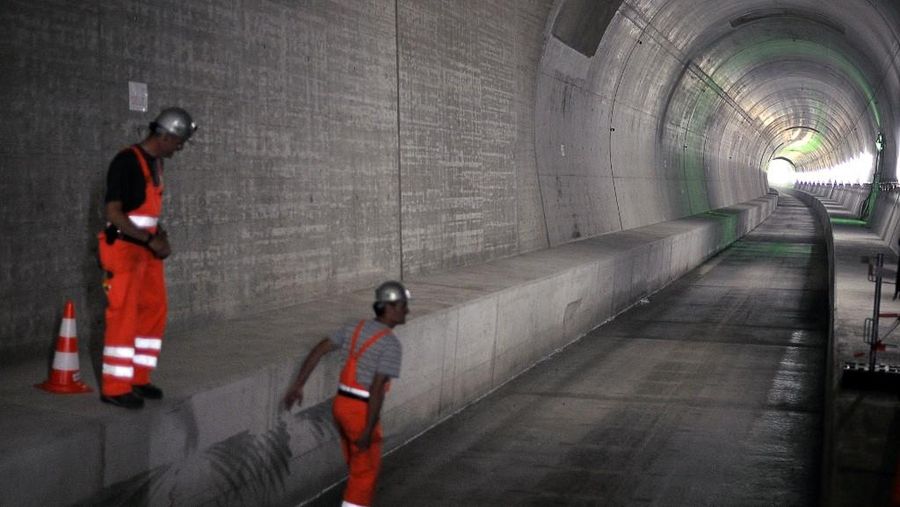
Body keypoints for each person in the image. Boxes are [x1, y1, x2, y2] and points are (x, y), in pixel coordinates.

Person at [96, 107, 197, 409]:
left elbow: (146, 214)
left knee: (154, 310)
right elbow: (114, 213)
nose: (179, 149)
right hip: (124, 251)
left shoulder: (154, 164)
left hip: (146, 252)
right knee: (123, 316)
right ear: (163, 135)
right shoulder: (127, 162)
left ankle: (138, 378)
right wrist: (150, 239)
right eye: (178, 142)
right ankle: (115, 386)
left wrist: (159, 235)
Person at [283, 281, 409, 507]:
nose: (406, 310)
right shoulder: (391, 345)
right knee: (364, 474)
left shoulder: (355, 328)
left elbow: (320, 349)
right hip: (362, 410)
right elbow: (377, 389)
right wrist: (369, 429)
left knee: (357, 465)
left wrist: (298, 385)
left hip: (341, 405)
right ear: (389, 307)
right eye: (402, 305)